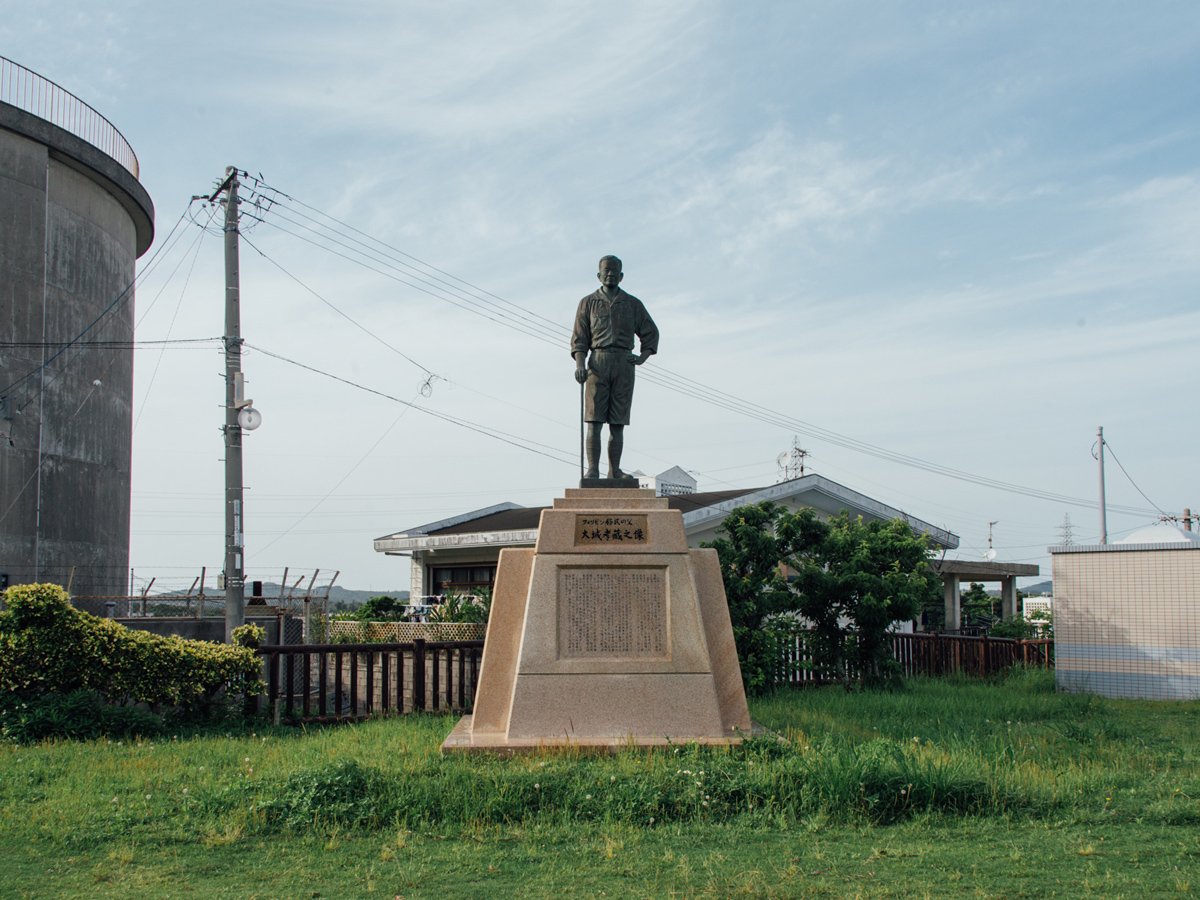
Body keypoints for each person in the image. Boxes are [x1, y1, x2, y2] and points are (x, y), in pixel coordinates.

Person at [571, 255, 658, 479]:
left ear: (621, 276)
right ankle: (592, 470)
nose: (610, 275)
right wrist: (580, 364)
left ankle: (615, 470)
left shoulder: (633, 304)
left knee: (617, 422)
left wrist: (643, 356)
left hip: (624, 363)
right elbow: (580, 338)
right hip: (597, 364)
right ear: (599, 276)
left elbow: (650, 332)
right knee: (594, 420)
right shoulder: (587, 302)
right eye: (605, 271)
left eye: (614, 271)